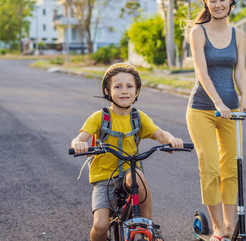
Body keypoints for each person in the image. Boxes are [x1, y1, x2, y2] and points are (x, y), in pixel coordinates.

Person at [71, 62, 183, 241]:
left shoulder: (138, 117)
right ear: (107, 91)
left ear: (137, 92)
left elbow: (160, 134)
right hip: (104, 178)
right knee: (100, 226)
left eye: (130, 86)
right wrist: (79, 143)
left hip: (129, 171)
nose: (124, 91)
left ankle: (147, 225)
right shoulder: (100, 117)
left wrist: (171, 140)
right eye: (118, 86)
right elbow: (80, 138)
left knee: (137, 176)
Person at [186, 0, 246, 241]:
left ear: (231, 2)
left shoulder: (239, 34)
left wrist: (245, 100)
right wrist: (217, 103)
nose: (218, 4)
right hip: (202, 109)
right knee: (211, 168)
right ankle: (216, 228)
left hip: (230, 112)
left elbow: (240, 71)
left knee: (230, 170)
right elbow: (201, 72)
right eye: (212, 0)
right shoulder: (198, 32)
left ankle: (229, 227)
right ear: (205, 2)